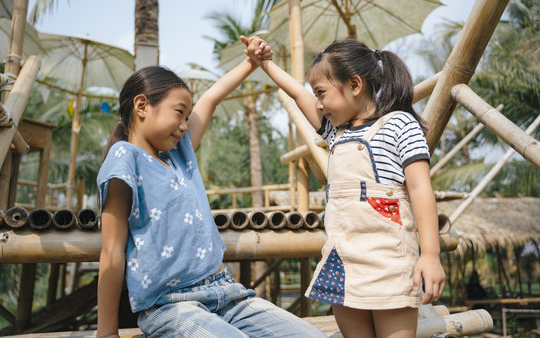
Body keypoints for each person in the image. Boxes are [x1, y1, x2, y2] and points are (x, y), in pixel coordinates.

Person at [96, 41, 327, 338]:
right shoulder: (124, 158)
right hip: (169, 305)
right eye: (179, 113)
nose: (183, 125)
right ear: (142, 106)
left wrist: (251, 62)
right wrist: (106, 331)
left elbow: (212, 98)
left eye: (187, 116)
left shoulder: (180, 154)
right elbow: (112, 251)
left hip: (227, 294)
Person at [241, 35, 446, 338]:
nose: (319, 104)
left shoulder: (399, 124)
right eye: (317, 96)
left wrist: (430, 255)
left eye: (322, 93)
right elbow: (298, 94)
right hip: (342, 262)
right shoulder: (336, 132)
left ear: (354, 84)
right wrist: (265, 63)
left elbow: (419, 189)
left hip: (387, 262)